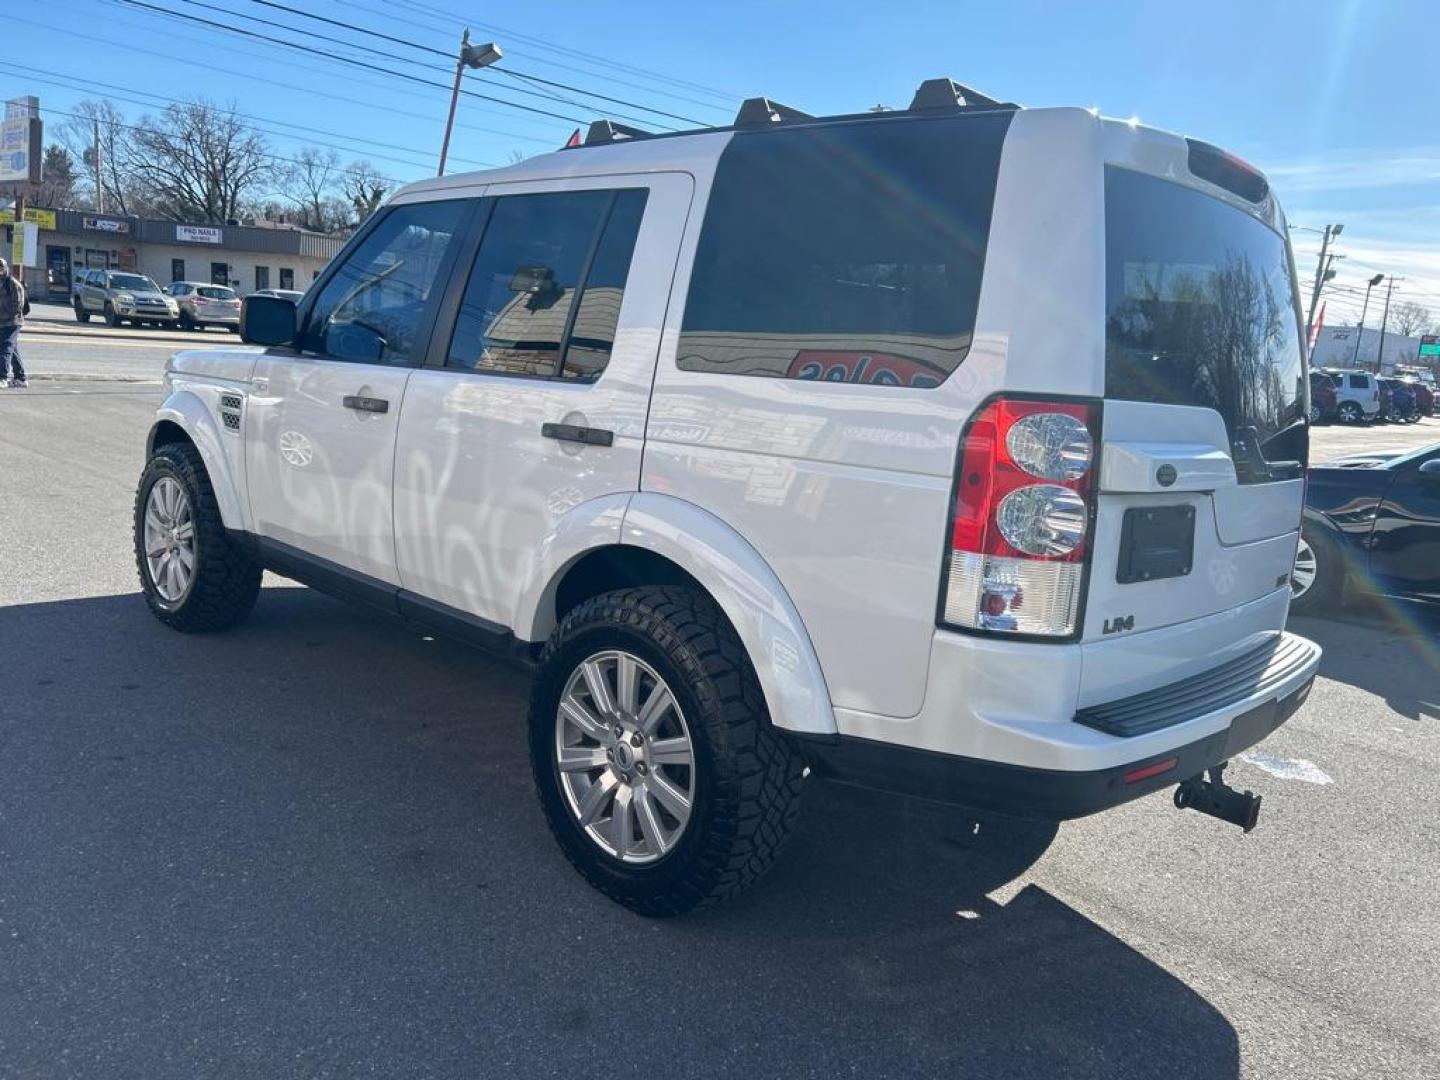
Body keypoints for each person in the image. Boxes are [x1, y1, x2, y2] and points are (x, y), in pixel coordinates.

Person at [0, 256, 28, 388]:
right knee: (12, 350)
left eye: (1, 268)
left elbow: (18, 305)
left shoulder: (12, 283)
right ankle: (21, 378)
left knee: (5, 348)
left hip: (12, 322)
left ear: (5, 268)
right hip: (2, 322)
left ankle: (2, 377)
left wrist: (6, 316)